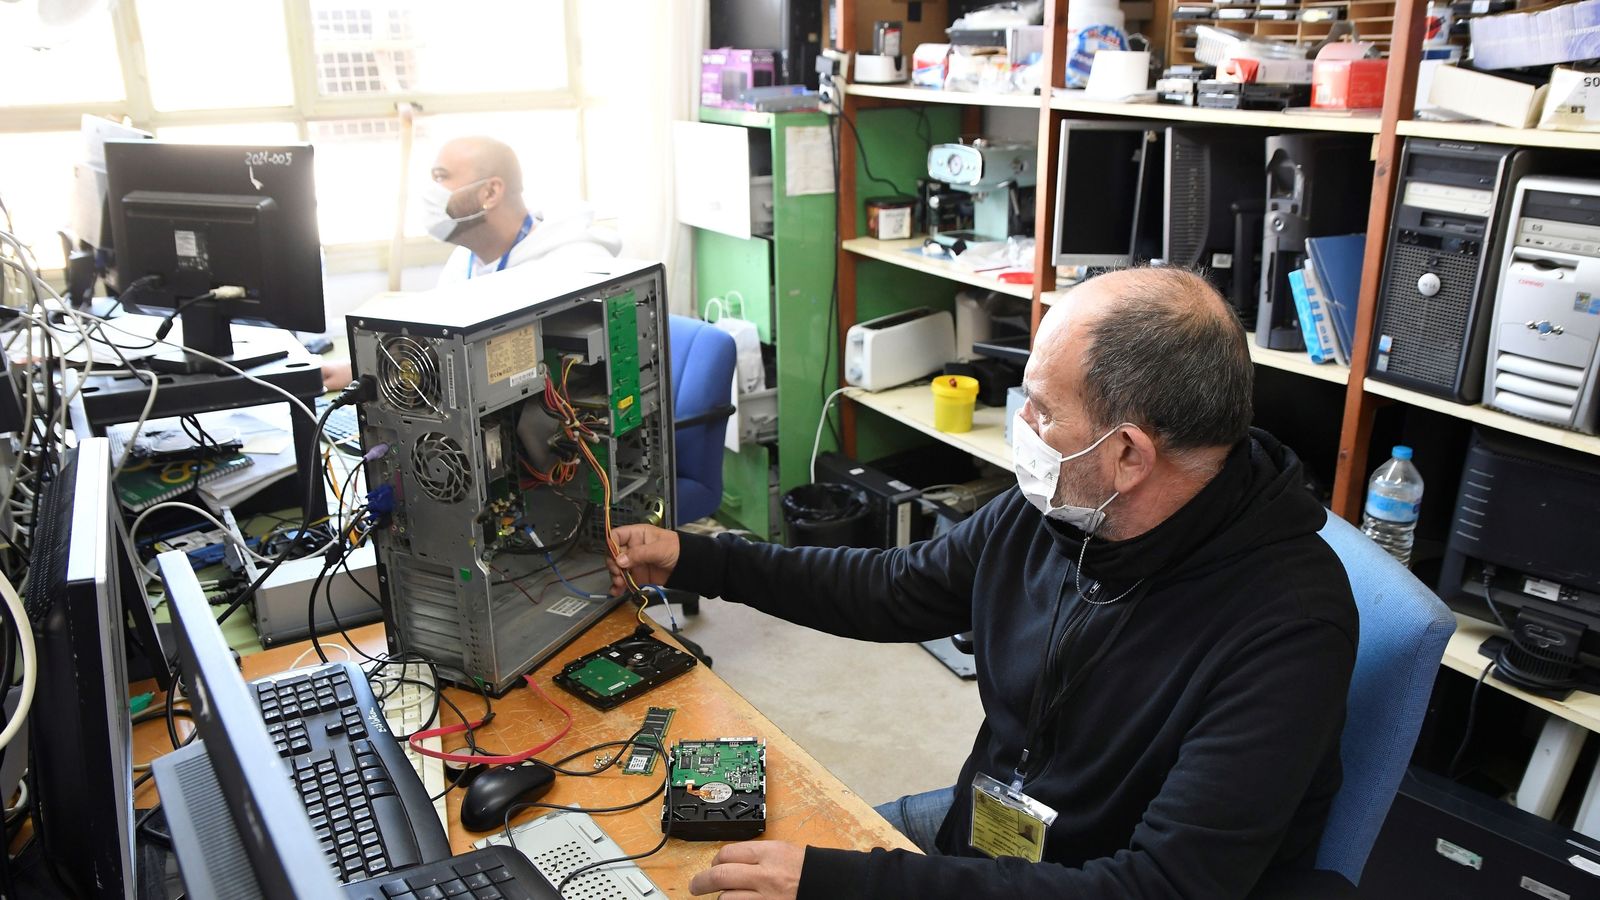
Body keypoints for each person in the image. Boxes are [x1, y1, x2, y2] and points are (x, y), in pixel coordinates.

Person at [607, 267, 1360, 899]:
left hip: (1092, 883)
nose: (1020, 422)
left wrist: (844, 885)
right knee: (732, 865)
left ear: (1129, 454)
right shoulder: (1068, 506)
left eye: (1043, 408)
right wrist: (696, 558)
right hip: (996, 836)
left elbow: (1156, 887)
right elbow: (894, 587)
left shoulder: (1290, 626)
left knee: (795, 873)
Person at [321, 135, 619, 389]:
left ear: (490, 192)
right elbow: (438, 346)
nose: (431, 192)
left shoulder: (575, 266)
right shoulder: (464, 261)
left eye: (441, 177)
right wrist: (362, 370)